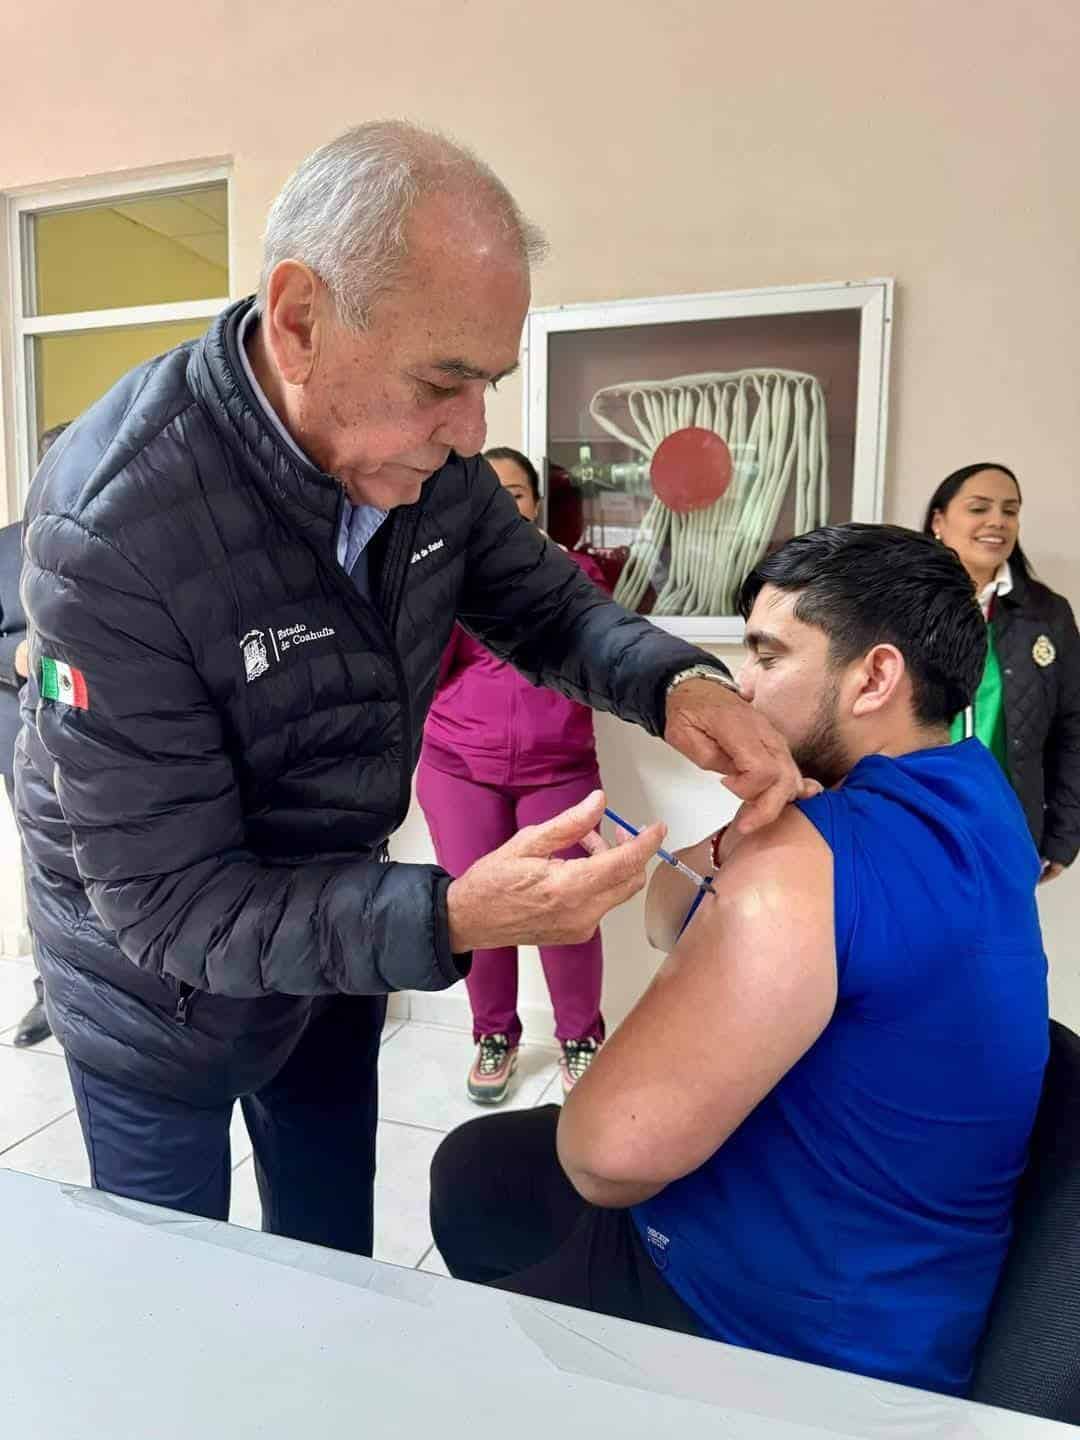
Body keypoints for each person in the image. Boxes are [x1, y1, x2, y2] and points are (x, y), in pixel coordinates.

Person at [16, 121, 807, 1254]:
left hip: (330, 959)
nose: (473, 432)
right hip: (154, 1006)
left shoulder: (424, 466)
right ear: (299, 320)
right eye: (445, 382)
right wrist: (451, 917)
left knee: (334, 1264)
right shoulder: (116, 527)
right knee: (170, 1298)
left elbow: (547, 605)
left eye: (489, 383)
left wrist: (678, 686)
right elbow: (173, 906)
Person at [430, 524, 1049, 1398]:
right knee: (476, 1164)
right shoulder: (980, 796)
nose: (739, 689)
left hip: (789, 1338)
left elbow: (603, 1155)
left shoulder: (814, 851)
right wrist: (739, 847)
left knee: (458, 1344)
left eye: (766, 655)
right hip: (915, 1276)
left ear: (874, 676)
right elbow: (662, 915)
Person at [418, 447, 610, 1102]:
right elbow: (425, 672)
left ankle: (581, 1036)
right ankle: (492, 1033)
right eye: (489, 493)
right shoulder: (446, 576)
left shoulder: (578, 572)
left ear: (535, 503)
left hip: (557, 770)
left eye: (518, 493)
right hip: (458, 767)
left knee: (567, 906)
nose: (505, 504)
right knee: (477, 907)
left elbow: (597, 661)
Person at [925, 462, 1080, 883]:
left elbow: (1072, 729)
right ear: (939, 520)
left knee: (998, 948)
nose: (997, 521)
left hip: (1007, 828)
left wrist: (1064, 835)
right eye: (979, 508)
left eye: (1010, 511)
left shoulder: (1047, 614)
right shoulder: (900, 606)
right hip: (912, 819)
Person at [4, 423, 69, 1048]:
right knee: (42, 872)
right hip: (26, 745)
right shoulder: (5, 549)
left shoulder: (139, 538)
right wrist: (24, 659)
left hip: (125, 750)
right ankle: (50, 999)